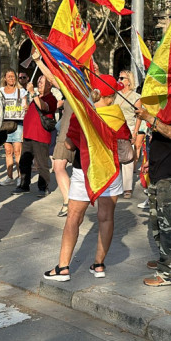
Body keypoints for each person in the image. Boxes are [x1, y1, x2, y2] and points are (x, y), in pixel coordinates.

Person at [44, 74, 130, 282]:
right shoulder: (117, 115)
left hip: (85, 171)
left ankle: (63, 267)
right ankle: (99, 265)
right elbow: (127, 150)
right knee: (106, 217)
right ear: (109, 96)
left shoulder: (82, 114)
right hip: (109, 173)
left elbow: (69, 145)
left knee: (74, 217)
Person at [134, 100, 171, 286]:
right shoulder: (165, 104)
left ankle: (169, 273)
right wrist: (150, 161)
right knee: (157, 220)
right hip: (158, 169)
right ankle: (167, 260)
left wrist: (148, 117)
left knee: (170, 223)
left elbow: (170, 132)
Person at [14, 74, 57, 197]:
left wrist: (33, 92)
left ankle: (43, 187)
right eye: (38, 81)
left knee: (42, 163)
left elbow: (43, 107)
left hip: (41, 136)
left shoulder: (51, 99)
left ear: (49, 85)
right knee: (24, 162)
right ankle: (24, 185)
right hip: (29, 135)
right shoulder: (36, 97)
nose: (39, 84)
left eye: (42, 82)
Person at [114, 70, 142, 199]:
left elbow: (139, 117)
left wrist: (135, 133)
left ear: (129, 81)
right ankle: (115, 186)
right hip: (114, 128)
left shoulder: (135, 97)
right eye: (118, 77)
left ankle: (127, 188)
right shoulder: (115, 95)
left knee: (127, 159)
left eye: (121, 78)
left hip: (129, 128)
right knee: (114, 158)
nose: (119, 80)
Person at [0, 69, 28, 186]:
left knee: (17, 151)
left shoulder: (21, 92)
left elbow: (26, 106)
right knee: (8, 151)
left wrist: (26, 107)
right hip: (5, 124)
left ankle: (20, 177)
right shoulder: (0, 91)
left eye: (13, 76)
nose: (11, 78)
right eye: (9, 76)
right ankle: (9, 176)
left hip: (18, 123)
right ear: (5, 78)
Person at [51, 100, 74, 217]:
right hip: (67, 129)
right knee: (58, 165)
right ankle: (69, 201)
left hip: (71, 130)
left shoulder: (80, 86)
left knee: (58, 165)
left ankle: (70, 202)